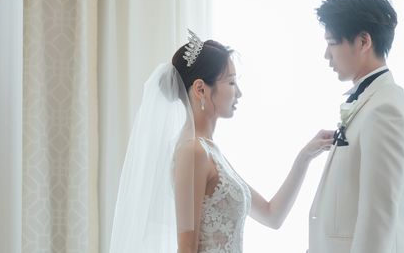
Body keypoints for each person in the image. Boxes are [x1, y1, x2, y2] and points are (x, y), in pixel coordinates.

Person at [110, 30, 333, 253]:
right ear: (200, 89)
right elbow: (187, 247)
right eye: (231, 82)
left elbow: (272, 215)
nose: (239, 93)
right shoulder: (193, 151)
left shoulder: (211, 151)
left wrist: (305, 157)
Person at [308, 0, 404, 253]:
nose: (326, 55)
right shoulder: (373, 102)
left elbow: (377, 220)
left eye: (332, 43)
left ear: (363, 41)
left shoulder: (384, 111)